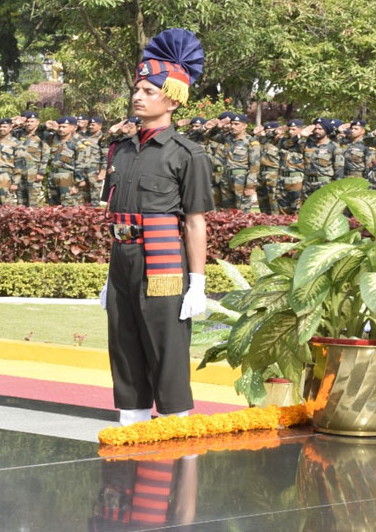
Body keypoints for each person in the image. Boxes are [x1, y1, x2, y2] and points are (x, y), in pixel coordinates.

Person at [102, 27, 213, 427]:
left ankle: (176, 434)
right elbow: (117, 212)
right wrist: (110, 275)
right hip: (123, 262)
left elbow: (195, 222)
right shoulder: (121, 149)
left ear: (172, 99)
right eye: (137, 89)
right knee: (125, 348)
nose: (137, 96)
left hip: (163, 263)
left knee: (166, 352)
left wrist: (197, 282)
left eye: (149, 91)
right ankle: (131, 427)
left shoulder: (187, 154)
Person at [44, 116, 88, 206]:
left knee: (68, 207)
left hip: (67, 178)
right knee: (53, 207)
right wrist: (47, 126)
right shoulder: (54, 140)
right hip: (53, 176)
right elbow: (39, 133)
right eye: (60, 127)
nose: (61, 129)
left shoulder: (77, 143)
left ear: (72, 128)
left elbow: (81, 164)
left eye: (64, 127)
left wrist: (77, 183)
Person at [220, 114, 259, 212]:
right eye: (232, 124)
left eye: (236, 124)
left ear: (245, 126)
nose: (233, 126)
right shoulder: (227, 138)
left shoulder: (251, 142)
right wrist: (219, 126)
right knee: (226, 211)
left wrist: (250, 185)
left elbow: (254, 166)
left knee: (242, 211)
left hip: (241, 180)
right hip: (226, 179)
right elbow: (208, 136)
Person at [16, 111, 47, 207]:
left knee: (33, 203)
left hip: (33, 173)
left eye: (32, 121)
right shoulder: (20, 134)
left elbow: (45, 154)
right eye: (27, 121)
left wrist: (41, 172)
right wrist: (16, 123)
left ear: (37, 122)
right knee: (20, 201)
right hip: (20, 172)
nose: (29, 124)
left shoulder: (42, 135)